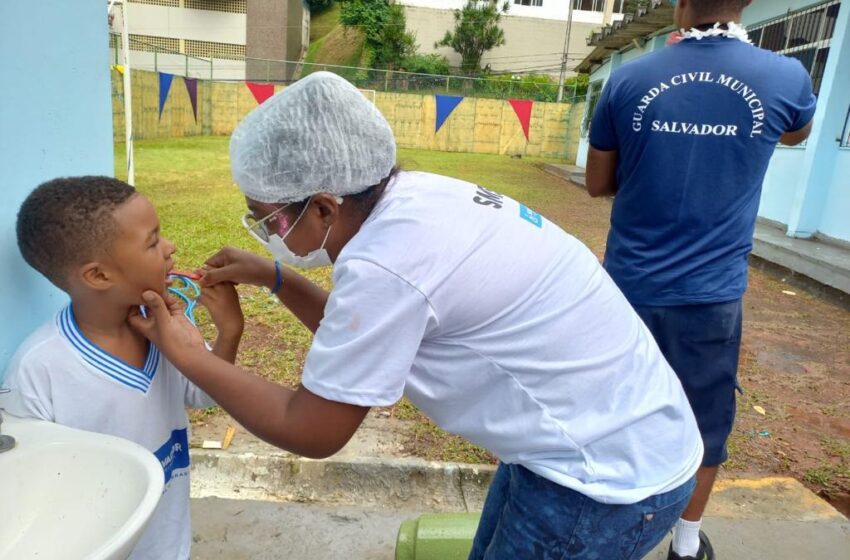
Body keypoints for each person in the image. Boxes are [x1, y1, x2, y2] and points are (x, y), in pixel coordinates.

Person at [128, 71, 703, 559]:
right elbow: (372, 339)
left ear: (325, 205)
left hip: (603, 480)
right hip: (605, 439)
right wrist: (277, 277)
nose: (267, 232)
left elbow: (314, 428)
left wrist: (186, 354)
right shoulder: (415, 196)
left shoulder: (386, 263)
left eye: (270, 219)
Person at [585, 1, 817, 558]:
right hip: (710, 299)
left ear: (678, 5)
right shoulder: (785, 77)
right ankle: (685, 545)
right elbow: (791, 133)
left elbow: (597, 183)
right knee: (703, 421)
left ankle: (598, 529)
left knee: (608, 412)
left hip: (626, 288)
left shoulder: (629, 78)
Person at [1, 177, 245, 560]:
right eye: (153, 241)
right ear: (98, 275)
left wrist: (229, 332)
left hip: (168, 542)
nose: (171, 248)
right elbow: (29, 488)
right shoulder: (40, 368)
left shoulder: (165, 323)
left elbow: (206, 393)